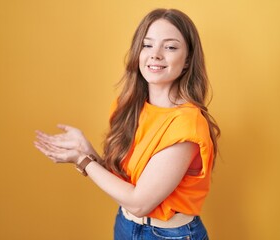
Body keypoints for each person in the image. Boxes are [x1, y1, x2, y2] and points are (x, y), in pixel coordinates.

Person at [34, 8, 220, 240]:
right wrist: (87, 151)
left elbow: (140, 202)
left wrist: (82, 161)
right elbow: (126, 187)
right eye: (147, 44)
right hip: (125, 225)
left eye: (170, 47)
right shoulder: (129, 107)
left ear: (187, 61)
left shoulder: (187, 125)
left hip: (170, 235)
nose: (156, 54)